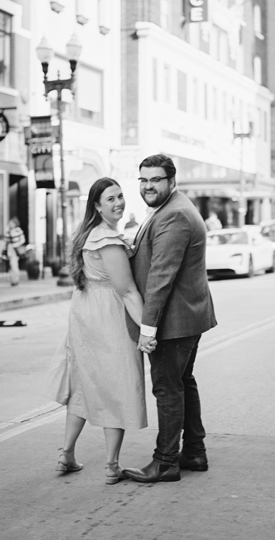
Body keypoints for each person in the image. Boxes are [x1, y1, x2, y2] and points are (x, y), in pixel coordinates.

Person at [44, 178, 147, 485]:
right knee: (117, 385)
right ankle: (112, 465)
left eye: (120, 197)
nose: (119, 203)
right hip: (107, 317)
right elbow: (127, 291)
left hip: (84, 314)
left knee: (83, 386)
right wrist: (148, 329)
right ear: (97, 206)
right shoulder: (107, 240)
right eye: (111, 199)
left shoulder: (87, 235)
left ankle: (67, 453)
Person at [122, 154, 217, 483]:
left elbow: (160, 278)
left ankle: (165, 462)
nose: (148, 186)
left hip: (174, 322)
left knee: (167, 389)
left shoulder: (174, 215)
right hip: (188, 316)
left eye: (156, 180)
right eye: (143, 180)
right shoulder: (169, 209)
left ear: (171, 181)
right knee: (182, 383)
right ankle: (194, 451)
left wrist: (147, 330)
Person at [5, 217, 27, 286]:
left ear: (15, 224)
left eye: (11, 223)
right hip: (10, 250)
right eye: (9, 223)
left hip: (16, 249)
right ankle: (14, 279)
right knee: (12, 265)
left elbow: (23, 240)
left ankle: (15, 280)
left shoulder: (18, 230)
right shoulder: (8, 231)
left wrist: (16, 245)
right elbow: (6, 241)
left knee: (14, 264)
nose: (10, 224)